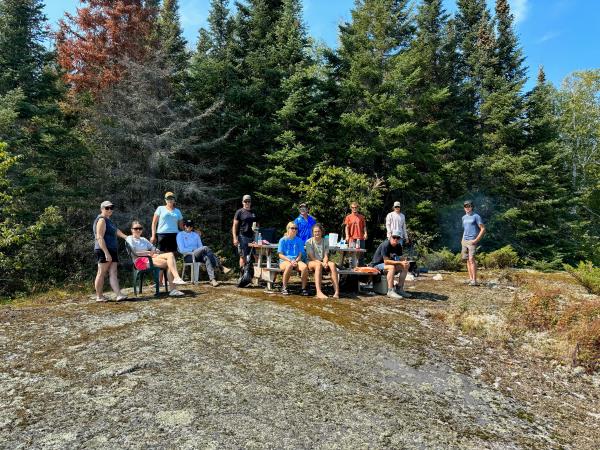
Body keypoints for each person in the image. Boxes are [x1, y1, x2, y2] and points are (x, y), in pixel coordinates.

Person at [127, 220, 187, 296]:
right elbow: (134, 252)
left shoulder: (143, 239)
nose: (138, 230)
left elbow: (153, 248)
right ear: (132, 230)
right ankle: (174, 288)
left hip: (150, 258)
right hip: (140, 262)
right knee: (170, 264)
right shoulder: (130, 238)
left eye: (140, 228)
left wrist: (155, 251)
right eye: (136, 228)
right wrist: (148, 253)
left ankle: (177, 278)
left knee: (170, 255)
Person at [93, 200, 129, 302]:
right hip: (103, 249)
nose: (109, 210)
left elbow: (116, 231)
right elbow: (99, 237)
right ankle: (99, 296)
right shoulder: (101, 220)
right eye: (107, 208)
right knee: (101, 272)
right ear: (102, 209)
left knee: (113, 272)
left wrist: (127, 238)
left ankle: (119, 295)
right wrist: (106, 252)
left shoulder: (109, 221)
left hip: (112, 249)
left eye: (111, 208)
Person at [177, 219, 227, 287]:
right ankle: (220, 266)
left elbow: (200, 247)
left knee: (207, 257)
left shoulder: (195, 235)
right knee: (205, 248)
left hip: (198, 254)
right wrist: (193, 249)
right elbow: (182, 250)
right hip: (188, 256)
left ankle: (212, 280)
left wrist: (197, 250)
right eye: (187, 226)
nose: (189, 227)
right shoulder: (180, 235)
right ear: (184, 226)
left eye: (191, 226)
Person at [370, 230, 411, 299]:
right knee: (391, 267)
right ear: (390, 237)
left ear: (400, 239)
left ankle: (399, 288)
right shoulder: (385, 245)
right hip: (377, 265)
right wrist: (400, 262)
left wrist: (405, 261)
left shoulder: (398, 246)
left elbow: (400, 258)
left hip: (387, 265)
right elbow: (386, 261)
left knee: (406, 265)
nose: (395, 239)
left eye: (398, 238)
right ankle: (390, 290)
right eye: (394, 237)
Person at [306, 223, 340, 299]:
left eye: (318, 231)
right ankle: (318, 292)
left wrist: (325, 262)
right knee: (318, 265)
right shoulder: (309, 242)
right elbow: (312, 257)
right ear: (313, 232)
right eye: (315, 231)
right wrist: (322, 263)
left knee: (332, 265)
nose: (317, 233)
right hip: (311, 261)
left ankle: (337, 291)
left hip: (322, 260)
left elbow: (326, 255)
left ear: (321, 232)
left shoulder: (325, 241)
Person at [278, 222, 309, 296]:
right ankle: (284, 287)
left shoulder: (299, 240)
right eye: (292, 228)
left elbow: (300, 254)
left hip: (296, 260)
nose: (294, 230)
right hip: (285, 260)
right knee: (289, 266)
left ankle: (303, 288)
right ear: (288, 229)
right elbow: (280, 255)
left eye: (296, 228)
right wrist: (290, 260)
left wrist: (296, 260)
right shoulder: (282, 240)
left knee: (304, 267)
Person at [461, 200, 485, 286]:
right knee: (467, 260)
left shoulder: (476, 216)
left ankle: (474, 280)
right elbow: (465, 229)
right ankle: (470, 279)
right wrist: (462, 239)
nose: (467, 208)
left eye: (469, 206)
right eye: (465, 206)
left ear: (472, 207)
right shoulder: (463, 217)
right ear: (464, 208)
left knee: (471, 259)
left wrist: (476, 240)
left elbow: (482, 229)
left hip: (472, 241)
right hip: (464, 241)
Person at [232, 194, 258, 269]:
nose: (247, 203)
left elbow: (258, 225)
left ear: (251, 202)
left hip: (253, 237)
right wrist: (235, 238)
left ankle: (256, 276)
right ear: (242, 202)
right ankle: (242, 276)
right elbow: (234, 226)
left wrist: (256, 230)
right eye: (245, 201)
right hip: (243, 236)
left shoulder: (254, 212)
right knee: (243, 257)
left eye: (248, 201)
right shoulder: (239, 212)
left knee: (256, 256)